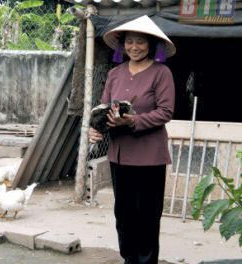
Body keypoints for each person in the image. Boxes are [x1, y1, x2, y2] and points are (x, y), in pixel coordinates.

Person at [89, 16, 176, 264]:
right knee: (124, 215)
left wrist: (133, 121)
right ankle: (129, 260)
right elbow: (103, 110)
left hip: (150, 158)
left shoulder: (162, 72)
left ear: (151, 45)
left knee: (147, 216)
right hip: (119, 156)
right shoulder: (115, 74)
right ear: (122, 44)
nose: (134, 47)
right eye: (129, 42)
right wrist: (95, 129)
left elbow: (166, 111)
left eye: (140, 42)